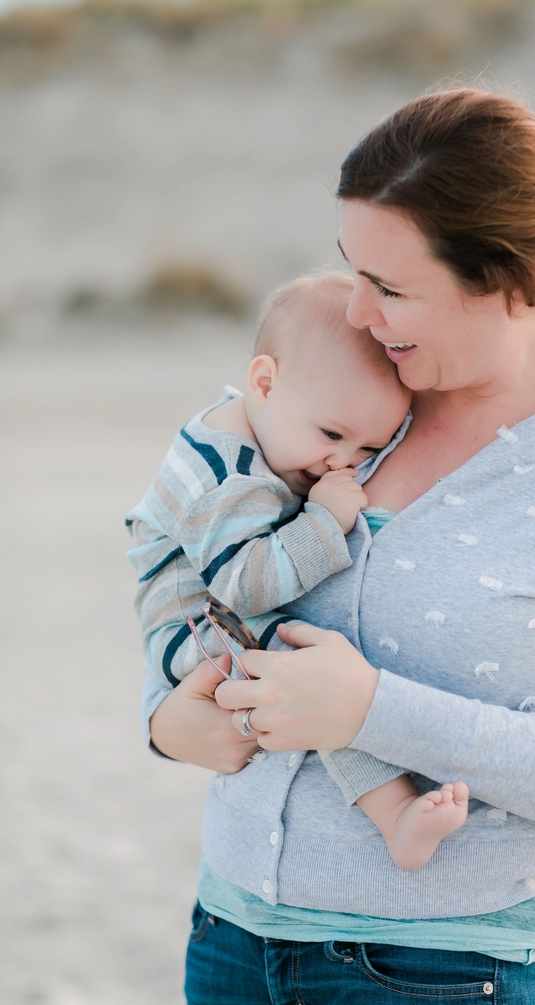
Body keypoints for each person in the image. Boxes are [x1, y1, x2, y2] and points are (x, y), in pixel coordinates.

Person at [141, 88, 535, 1004]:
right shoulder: (352, 382)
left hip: (436, 970)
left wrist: (372, 711)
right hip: (229, 935)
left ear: (506, 285)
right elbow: (197, 554)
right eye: (353, 270)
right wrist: (163, 714)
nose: (355, 312)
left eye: (389, 288)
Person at [127, 270, 469, 871]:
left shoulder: (271, 420)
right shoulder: (227, 478)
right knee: (307, 680)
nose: (343, 461)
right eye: (332, 434)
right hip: (195, 623)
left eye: (370, 450)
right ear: (264, 382)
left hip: (216, 611)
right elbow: (242, 583)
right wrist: (323, 523)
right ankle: (393, 815)